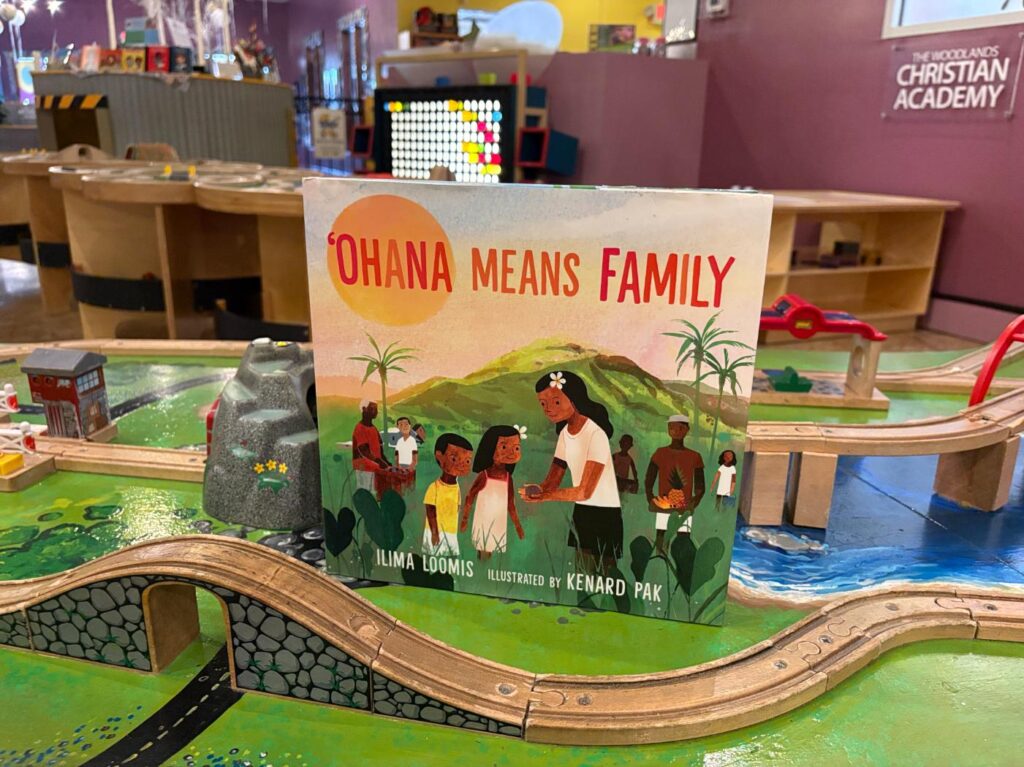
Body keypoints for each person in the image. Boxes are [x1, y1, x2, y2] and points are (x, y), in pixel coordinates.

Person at [519, 370, 621, 574]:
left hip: (605, 513)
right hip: (582, 511)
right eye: (543, 404)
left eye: (556, 402)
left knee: (607, 575)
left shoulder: (596, 434)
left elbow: (584, 491)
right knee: (582, 572)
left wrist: (546, 496)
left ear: (574, 399)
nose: (548, 409)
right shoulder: (565, 434)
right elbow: (552, 480)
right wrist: (538, 490)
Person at [461, 425, 525, 560]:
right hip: (483, 520)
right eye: (504, 447)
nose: (511, 453)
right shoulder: (484, 475)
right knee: (483, 545)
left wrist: (517, 525)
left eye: (516, 448)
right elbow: (470, 496)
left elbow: (510, 504)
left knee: (494, 547)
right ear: (491, 449)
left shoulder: (508, 478)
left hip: (498, 521)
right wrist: (465, 519)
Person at [645, 414, 705, 555]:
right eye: (672, 427)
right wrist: (650, 497)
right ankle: (660, 560)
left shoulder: (694, 456)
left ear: (686, 430)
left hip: (685, 506)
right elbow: (650, 478)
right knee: (661, 536)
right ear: (668, 429)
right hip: (663, 504)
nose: (676, 431)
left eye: (680, 428)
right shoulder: (660, 453)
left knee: (683, 539)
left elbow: (700, 484)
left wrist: (695, 501)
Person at [422, 433, 473, 557]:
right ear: (439, 456)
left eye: (467, 461)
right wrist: (435, 533)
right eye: (454, 459)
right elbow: (430, 511)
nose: (461, 464)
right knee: (433, 557)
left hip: (451, 532)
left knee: (451, 558)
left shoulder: (457, 488)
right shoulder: (434, 487)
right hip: (434, 532)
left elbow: (457, 509)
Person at [352, 400, 389, 494]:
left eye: (376, 409)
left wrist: (387, 463)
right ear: (364, 409)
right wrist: (379, 462)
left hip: (376, 467)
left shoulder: (374, 429)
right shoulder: (359, 428)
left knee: (376, 492)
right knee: (366, 493)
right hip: (364, 468)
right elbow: (364, 450)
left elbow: (380, 450)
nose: (376, 411)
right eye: (373, 408)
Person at [393, 416, 418, 494]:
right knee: (400, 488)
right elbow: (396, 457)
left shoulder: (412, 441)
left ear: (410, 426)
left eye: (406, 424)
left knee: (410, 488)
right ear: (398, 427)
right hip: (400, 469)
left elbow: (415, 458)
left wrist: (410, 468)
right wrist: (398, 467)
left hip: (410, 469)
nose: (404, 427)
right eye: (401, 425)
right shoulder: (399, 442)